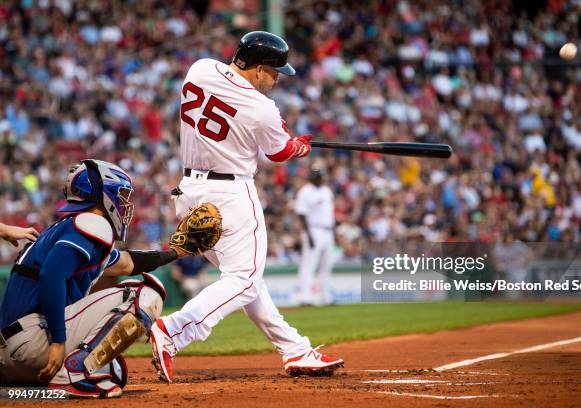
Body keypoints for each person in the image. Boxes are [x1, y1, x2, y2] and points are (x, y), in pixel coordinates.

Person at [149, 31, 344, 383]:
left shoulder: (200, 69)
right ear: (257, 69)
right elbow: (279, 152)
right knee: (244, 278)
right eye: (273, 73)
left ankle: (295, 349)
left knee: (245, 278)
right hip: (230, 194)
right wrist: (299, 147)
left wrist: (289, 142)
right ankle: (174, 330)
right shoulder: (261, 106)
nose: (275, 80)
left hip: (188, 192)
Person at [0, 159, 183, 398]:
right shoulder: (93, 224)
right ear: (102, 195)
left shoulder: (69, 229)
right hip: (32, 341)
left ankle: (42, 377)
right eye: (121, 194)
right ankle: (70, 375)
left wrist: (177, 252)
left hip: (14, 352)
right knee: (145, 295)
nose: (125, 202)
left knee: (113, 371)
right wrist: (58, 341)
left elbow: (127, 263)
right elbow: (51, 275)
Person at [295, 167, 336, 306]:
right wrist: (309, 236)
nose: (320, 178)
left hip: (328, 230)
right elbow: (301, 215)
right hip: (314, 230)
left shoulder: (327, 190)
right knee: (309, 265)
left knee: (327, 265)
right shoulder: (305, 191)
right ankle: (305, 298)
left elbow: (330, 214)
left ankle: (326, 298)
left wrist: (334, 234)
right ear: (312, 177)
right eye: (317, 176)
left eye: (321, 175)